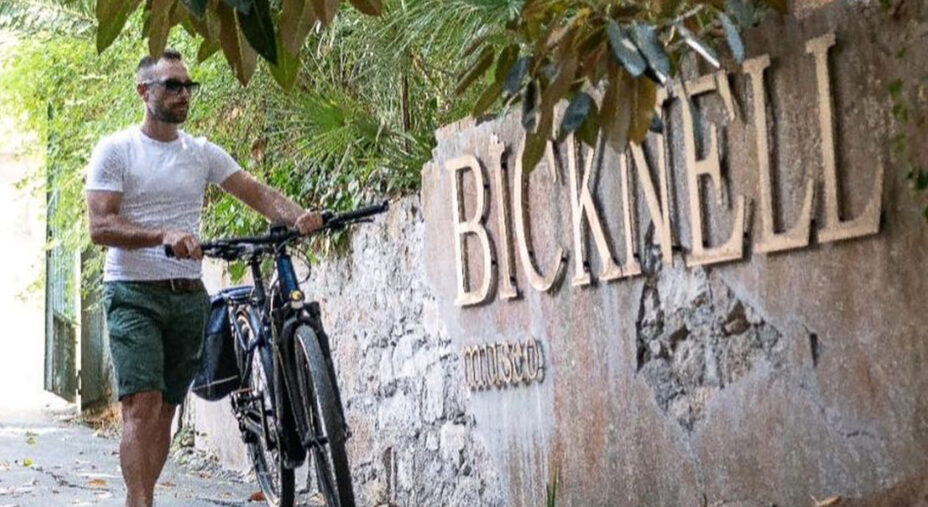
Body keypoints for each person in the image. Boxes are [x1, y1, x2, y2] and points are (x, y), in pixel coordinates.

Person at [85, 49, 322, 507]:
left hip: (189, 297)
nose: (182, 94)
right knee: (141, 406)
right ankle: (140, 502)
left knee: (166, 411)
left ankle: (144, 495)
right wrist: (162, 235)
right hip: (133, 293)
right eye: (172, 85)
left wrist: (299, 216)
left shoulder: (200, 153)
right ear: (144, 92)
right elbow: (101, 227)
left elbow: (254, 191)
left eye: (187, 86)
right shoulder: (116, 151)